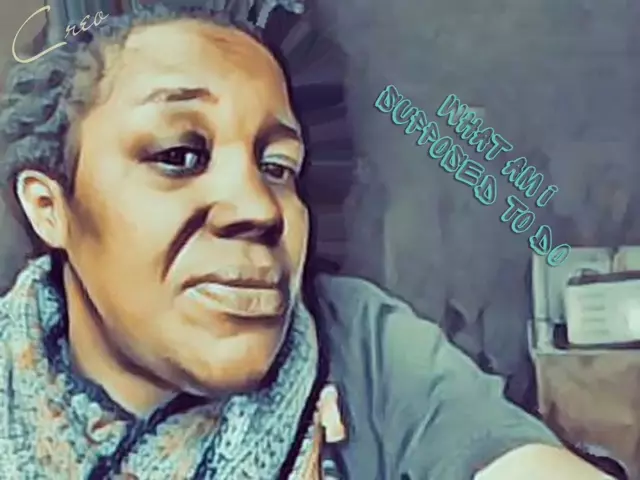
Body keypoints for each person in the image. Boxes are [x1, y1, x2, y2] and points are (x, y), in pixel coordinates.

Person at [0, 2, 612, 479]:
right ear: (50, 208)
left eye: (278, 167)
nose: (259, 208)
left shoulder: (358, 343)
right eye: (180, 154)